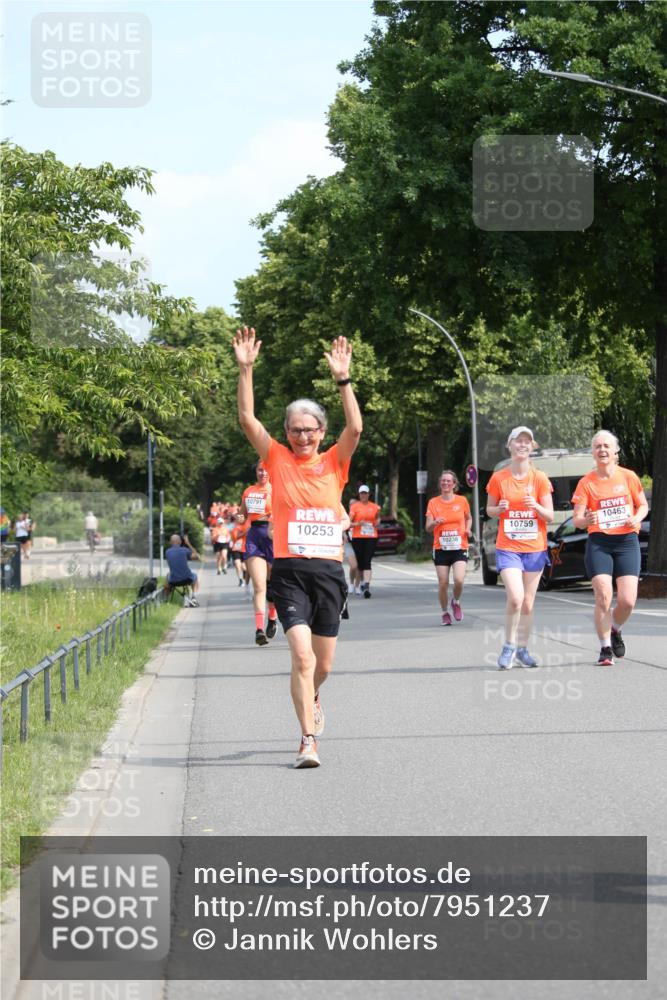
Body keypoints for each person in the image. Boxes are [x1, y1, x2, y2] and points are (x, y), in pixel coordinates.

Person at [233, 325, 362, 769]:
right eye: (294, 430)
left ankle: (315, 695)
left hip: (328, 574)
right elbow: (248, 421)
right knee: (302, 657)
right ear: (286, 432)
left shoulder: (334, 463)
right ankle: (307, 740)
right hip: (288, 574)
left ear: (321, 431)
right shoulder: (277, 458)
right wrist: (245, 369)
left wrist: (343, 381)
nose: (301, 437)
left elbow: (357, 427)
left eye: (308, 430)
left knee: (321, 666)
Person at [571, 430, 648, 665]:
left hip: (626, 542)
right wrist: (587, 520)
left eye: (606, 446)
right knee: (603, 595)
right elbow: (577, 519)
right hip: (600, 542)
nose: (602, 450)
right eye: (597, 447)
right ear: (593, 453)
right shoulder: (586, 482)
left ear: (615, 451)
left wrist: (636, 518)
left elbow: (643, 505)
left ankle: (615, 629)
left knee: (627, 601)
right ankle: (605, 648)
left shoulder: (628, 476)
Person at [486, 427, 554, 669]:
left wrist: (535, 505)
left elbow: (550, 515)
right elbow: (489, 510)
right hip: (508, 547)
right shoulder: (499, 478)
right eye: (518, 441)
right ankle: (508, 646)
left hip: (535, 548)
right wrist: (499, 509)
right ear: (510, 446)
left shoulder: (540, 479)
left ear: (532, 447)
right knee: (515, 598)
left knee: (528, 602)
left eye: (527, 442)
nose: (523, 445)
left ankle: (523, 649)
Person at [425, 470, 472, 625]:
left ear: (454, 484)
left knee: (459, 580)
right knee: (443, 582)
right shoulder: (433, 502)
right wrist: (434, 522)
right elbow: (428, 528)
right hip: (441, 548)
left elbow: (468, 518)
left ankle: (456, 602)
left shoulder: (462, 501)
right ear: (440, 484)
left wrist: (468, 528)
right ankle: (445, 612)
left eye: (448, 481)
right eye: (443, 481)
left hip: (459, 546)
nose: (445, 483)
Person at [241, 461, 278, 645]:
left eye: (266, 470)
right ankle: (259, 629)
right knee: (259, 586)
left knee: (272, 586)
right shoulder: (249, 491)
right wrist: (238, 518)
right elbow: (243, 514)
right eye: (260, 470)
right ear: (256, 471)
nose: (263, 473)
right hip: (255, 536)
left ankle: (272, 617)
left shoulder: (277, 489)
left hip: (272, 536)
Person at [348, 485, 381, 598]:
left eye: (365, 493)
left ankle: (366, 586)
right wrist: (358, 524)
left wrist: (377, 522)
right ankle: (358, 583)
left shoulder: (375, 507)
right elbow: (348, 523)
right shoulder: (355, 507)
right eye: (361, 493)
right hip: (358, 537)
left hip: (371, 537)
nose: (363, 495)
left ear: (369, 494)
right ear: (359, 494)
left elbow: (377, 518)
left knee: (367, 561)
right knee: (360, 563)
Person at [164, 533, 201, 607]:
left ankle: (166, 600)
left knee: (168, 575)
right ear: (180, 542)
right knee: (195, 576)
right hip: (187, 579)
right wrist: (188, 543)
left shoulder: (167, 552)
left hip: (173, 581)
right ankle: (193, 597)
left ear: (170, 542)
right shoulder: (184, 550)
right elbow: (197, 557)